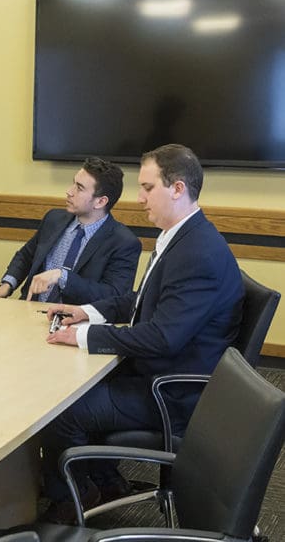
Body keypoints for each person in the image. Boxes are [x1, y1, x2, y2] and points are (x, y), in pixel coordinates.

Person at [39, 144, 243, 523]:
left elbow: (163, 337)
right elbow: (142, 299)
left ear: (177, 189)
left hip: (170, 392)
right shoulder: (182, 236)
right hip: (159, 372)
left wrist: (84, 336)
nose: (138, 198)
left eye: (148, 188)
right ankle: (104, 480)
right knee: (71, 381)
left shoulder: (198, 253)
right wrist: (87, 311)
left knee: (60, 411)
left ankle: (72, 501)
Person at [0, 157, 141, 305]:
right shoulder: (53, 219)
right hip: (30, 311)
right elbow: (27, 256)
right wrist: (7, 284)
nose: (69, 191)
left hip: (76, 324)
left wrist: (63, 277)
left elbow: (113, 295)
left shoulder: (124, 242)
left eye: (79, 188)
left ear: (100, 201)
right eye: (73, 183)